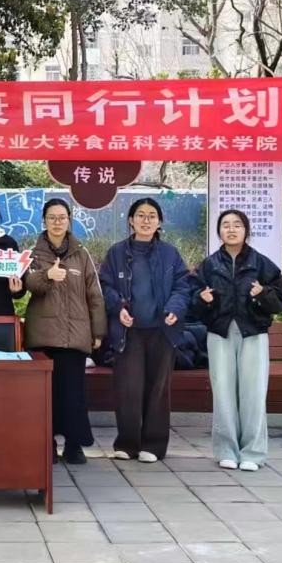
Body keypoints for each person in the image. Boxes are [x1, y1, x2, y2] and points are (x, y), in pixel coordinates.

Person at [192, 208, 282, 472]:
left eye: (237, 224)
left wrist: (262, 294)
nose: (231, 229)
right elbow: (193, 300)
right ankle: (226, 450)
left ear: (246, 230)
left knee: (253, 393)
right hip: (220, 333)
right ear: (219, 231)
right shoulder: (209, 265)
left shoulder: (261, 263)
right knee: (222, 391)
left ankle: (253, 453)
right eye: (226, 225)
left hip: (253, 333)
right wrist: (203, 300)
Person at [98, 197, 191, 463]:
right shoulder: (116, 253)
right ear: (131, 220)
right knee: (128, 388)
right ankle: (127, 443)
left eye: (152, 216)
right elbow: (105, 286)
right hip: (129, 332)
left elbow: (183, 286)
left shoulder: (170, 254)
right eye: (140, 215)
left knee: (157, 389)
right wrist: (119, 307)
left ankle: (154, 445)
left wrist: (174, 308)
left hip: (162, 330)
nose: (146, 220)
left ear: (160, 222)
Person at [23, 199, 105, 465]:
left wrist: (98, 330)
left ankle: (74, 445)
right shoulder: (33, 253)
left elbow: (95, 294)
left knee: (73, 395)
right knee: (45, 396)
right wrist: (47, 275)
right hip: (43, 335)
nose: (57, 222)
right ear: (44, 221)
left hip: (74, 335)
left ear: (69, 220)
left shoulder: (82, 254)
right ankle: (47, 444)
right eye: (52, 217)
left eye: (62, 217)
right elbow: (27, 284)